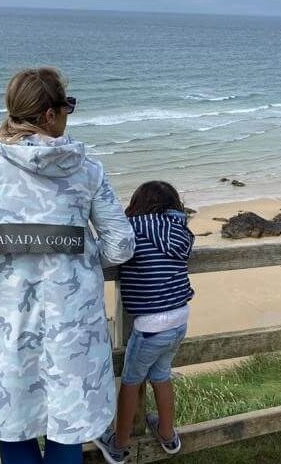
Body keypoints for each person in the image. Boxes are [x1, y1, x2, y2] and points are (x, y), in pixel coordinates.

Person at [0, 67, 135, 464]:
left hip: (1, 326)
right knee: (67, 427)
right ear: (49, 116)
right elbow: (121, 246)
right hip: (71, 327)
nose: (68, 115)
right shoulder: (87, 167)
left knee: (13, 426)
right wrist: (79, 255)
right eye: (67, 107)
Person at [94, 181, 195, 464]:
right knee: (161, 375)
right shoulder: (180, 230)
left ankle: (118, 444)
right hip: (179, 318)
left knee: (130, 382)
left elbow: (112, 246)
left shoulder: (135, 227)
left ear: (138, 204)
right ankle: (167, 434)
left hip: (151, 325)